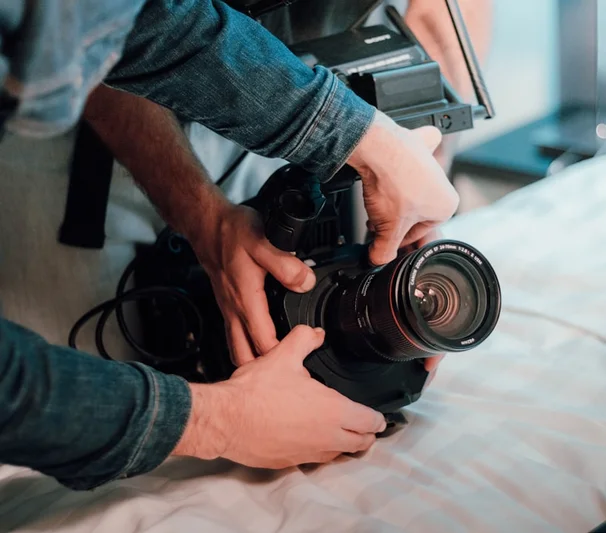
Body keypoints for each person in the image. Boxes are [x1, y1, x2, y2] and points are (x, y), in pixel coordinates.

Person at [0, 0, 488, 491]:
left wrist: (383, 153)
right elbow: (14, 392)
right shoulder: (49, 45)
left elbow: (149, 23)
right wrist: (216, 422)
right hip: (93, 160)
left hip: (271, 92)